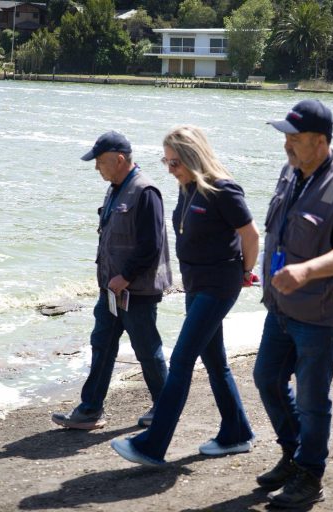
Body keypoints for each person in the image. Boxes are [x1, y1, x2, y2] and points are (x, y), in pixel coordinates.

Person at [110, 125, 260, 465]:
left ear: (193, 157)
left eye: (175, 162)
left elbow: (250, 235)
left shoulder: (224, 189)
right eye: (166, 161)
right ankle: (237, 432)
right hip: (196, 286)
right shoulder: (187, 187)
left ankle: (152, 445)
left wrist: (245, 272)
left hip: (218, 286)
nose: (169, 169)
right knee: (215, 362)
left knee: (180, 361)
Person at [253, 100, 333, 508]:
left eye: (295, 138)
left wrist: (306, 271)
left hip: (320, 316)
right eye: (286, 136)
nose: (287, 144)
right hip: (281, 307)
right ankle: (294, 454)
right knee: (267, 379)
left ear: (320, 142)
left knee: (311, 400)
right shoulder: (290, 173)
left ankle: (310, 476)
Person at [51, 131, 172, 430]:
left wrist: (126, 276)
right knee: (101, 344)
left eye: (100, 162)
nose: (96, 168)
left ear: (119, 159)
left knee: (147, 350)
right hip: (111, 290)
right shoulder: (115, 188)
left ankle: (166, 409)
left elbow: (152, 245)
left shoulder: (145, 191)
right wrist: (112, 280)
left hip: (136, 291)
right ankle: (90, 410)